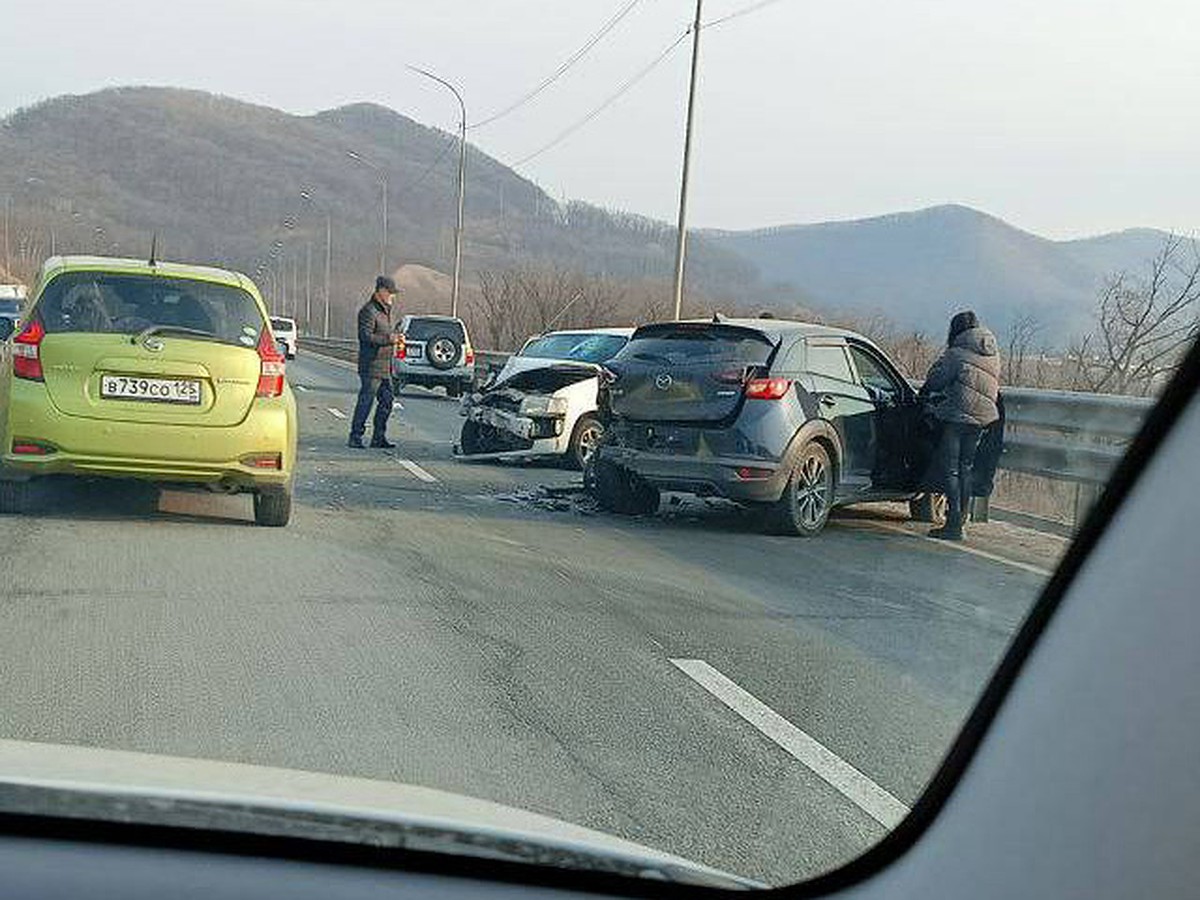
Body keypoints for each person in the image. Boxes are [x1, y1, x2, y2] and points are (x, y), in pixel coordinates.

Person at [919, 309, 1001, 541]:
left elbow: (935, 381)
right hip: (982, 418)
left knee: (950, 470)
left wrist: (938, 364)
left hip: (957, 417)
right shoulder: (992, 352)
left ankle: (953, 523)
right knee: (965, 469)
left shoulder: (956, 353)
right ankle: (961, 520)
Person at [348, 275, 400, 449]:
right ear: (381, 292)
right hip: (371, 365)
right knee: (366, 401)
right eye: (391, 293)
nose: (393, 297)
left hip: (385, 366)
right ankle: (355, 436)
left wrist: (395, 339)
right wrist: (389, 339)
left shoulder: (385, 312)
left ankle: (379, 437)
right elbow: (366, 336)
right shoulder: (368, 311)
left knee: (387, 401)